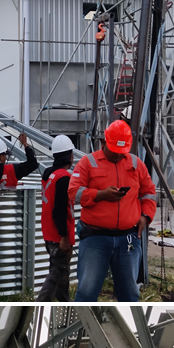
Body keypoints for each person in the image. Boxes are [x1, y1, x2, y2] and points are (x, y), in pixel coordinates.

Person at [68, 120, 157, 302]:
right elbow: (73, 193)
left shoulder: (136, 164)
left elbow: (149, 193)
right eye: (115, 152)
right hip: (95, 238)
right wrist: (100, 195)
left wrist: (145, 216)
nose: (118, 157)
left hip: (129, 238)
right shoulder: (88, 163)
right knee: (87, 291)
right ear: (103, 143)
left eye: (122, 153)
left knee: (130, 293)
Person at [36, 135, 75, 302]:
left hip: (49, 232)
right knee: (56, 273)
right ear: (70, 156)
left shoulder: (49, 175)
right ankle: (41, 303)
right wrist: (64, 236)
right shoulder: (64, 177)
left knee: (61, 273)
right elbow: (59, 209)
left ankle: (65, 302)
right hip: (59, 235)